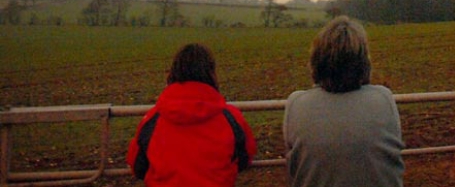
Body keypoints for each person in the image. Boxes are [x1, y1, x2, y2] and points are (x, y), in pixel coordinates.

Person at [283, 15, 405, 187]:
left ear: (317, 61)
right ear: (363, 62)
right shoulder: (383, 98)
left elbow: (294, 168)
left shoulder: (296, 104)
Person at [126, 43, 257, 187]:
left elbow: (138, 167)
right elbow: (245, 158)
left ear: (174, 73)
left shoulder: (153, 120)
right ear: (211, 74)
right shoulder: (231, 119)